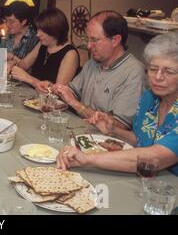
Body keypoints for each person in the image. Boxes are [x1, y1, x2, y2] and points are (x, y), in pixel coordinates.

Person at [57, 32, 178, 175]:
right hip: (145, 180)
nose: (158, 77)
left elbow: (155, 156)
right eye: (153, 69)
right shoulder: (149, 98)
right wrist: (114, 130)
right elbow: (141, 139)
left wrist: (87, 159)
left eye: (169, 71)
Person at [52, 10, 145, 129]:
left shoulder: (134, 72)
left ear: (115, 40)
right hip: (80, 130)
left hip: (106, 142)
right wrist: (54, 88)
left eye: (94, 40)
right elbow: (71, 92)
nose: (89, 46)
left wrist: (77, 106)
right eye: (88, 39)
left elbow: (119, 126)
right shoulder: (92, 63)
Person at [8, 8, 79, 90]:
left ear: (55, 31)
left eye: (43, 31)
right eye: (38, 29)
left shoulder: (70, 54)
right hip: (33, 97)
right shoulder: (43, 44)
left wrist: (28, 78)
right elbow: (24, 64)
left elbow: (59, 92)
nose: (38, 34)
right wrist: (12, 62)